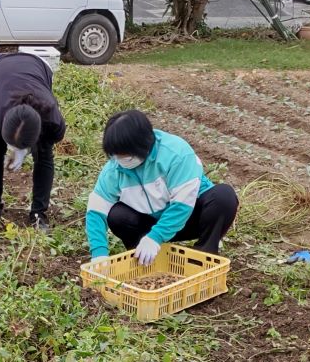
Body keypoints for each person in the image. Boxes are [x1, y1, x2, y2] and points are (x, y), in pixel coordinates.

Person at [85, 110, 238, 264]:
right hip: (150, 222)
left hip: (189, 217)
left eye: (126, 155)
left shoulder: (176, 154)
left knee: (223, 197)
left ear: (143, 144)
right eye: (116, 155)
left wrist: (156, 237)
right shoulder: (114, 169)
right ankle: (142, 257)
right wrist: (99, 253)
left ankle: (204, 257)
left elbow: (182, 205)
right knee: (117, 215)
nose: (121, 160)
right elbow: (96, 211)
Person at [0, 51, 66, 231]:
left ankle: (38, 213)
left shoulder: (53, 120)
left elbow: (46, 148)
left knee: (43, 152)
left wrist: (23, 150)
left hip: (38, 67)